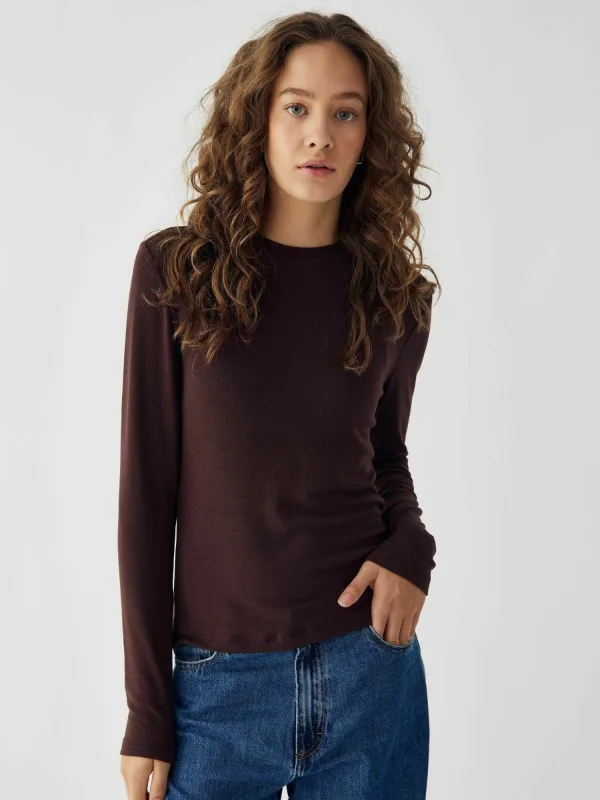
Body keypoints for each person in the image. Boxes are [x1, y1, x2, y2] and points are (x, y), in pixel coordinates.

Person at [118, 10, 441, 800]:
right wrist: (147, 710)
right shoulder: (176, 272)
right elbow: (146, 498)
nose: (319, 134)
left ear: (371, 136)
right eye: (296, 106)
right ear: (258, 116)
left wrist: (413, 546)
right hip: (217, 693)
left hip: (369, 671)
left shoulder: (396, 296)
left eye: (345, 112)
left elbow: (384, 455)